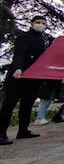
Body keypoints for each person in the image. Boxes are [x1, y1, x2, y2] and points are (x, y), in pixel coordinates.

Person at [0, 15, 49, 146]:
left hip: (33, 78)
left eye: (43, 23)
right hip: (19, 76)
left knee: (27, 104)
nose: (41, 25)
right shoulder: (23, 38)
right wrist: (18, 68)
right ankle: (1, 133)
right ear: (31, 23)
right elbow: (19, 54)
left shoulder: (43, 40)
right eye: (38, 22)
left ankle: (23, 130)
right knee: (9, 105)